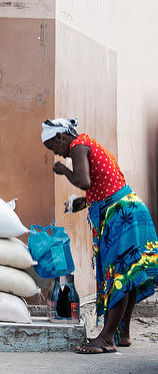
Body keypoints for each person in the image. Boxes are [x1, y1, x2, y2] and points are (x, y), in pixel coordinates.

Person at [41, 118, 158, 354]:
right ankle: (120, 334)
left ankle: (106, 339)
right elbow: (102, 184)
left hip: (123, 215)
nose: (59, 155)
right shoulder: (87, 143)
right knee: (129, 274)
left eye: (55, 148)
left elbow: (83, 181)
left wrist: (64, 171)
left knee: (120, 275)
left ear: (61, 138)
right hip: (130, 209)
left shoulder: (77, 147)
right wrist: (86, 202)